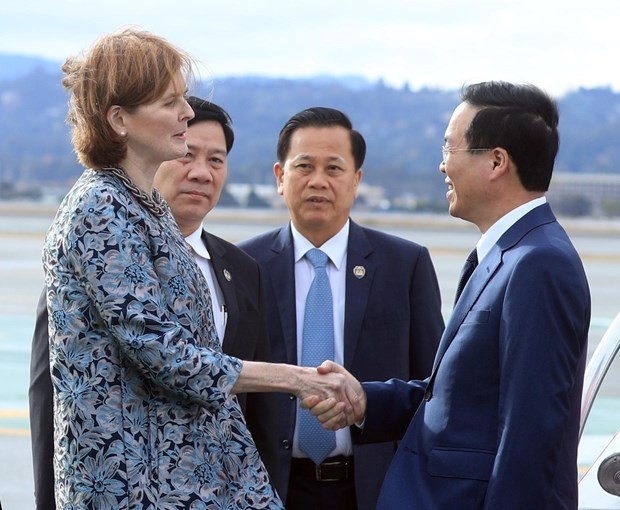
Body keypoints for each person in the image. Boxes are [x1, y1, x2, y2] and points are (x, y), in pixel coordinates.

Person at [40, 27, 356, 509]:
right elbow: (165, 354)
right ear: (119, 119)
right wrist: (298, 379)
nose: (188, 113)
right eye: (171, 102)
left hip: (192, 481)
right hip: (135, 488)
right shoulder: (99, 207)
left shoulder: (147, 207)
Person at [308, 81, 592, 510]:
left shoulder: (539, 264)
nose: (442, 166)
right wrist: (366, 401)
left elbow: (531, 437)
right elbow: (457, 397)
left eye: (449, 149)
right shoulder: (506, 255)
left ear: (497, 161)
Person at [29, 96, 280, 506]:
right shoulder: (99, 239)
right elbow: (53, 397)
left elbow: (258, 416)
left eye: (216, 161)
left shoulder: (243, 268)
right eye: (188, 153)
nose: (201, 172)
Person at [238, 106, 444, 509]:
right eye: (304, 167)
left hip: (373, 489)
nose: (318, 181)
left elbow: (434, 388)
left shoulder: (405, 264)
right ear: (280, 177)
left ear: (356, 181)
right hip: (270, 489)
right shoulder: (245, 267)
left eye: (334, 169)